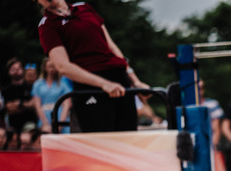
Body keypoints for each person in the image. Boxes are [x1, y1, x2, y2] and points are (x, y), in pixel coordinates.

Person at [36, 0, 150, 133]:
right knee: (101, 141)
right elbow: (63, 67)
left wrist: (136, 81)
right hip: (90, 85)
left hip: (119, 79)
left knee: (128, 136)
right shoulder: (47, 25)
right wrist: (103, 84)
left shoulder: (84, 8)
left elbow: (111, 46)